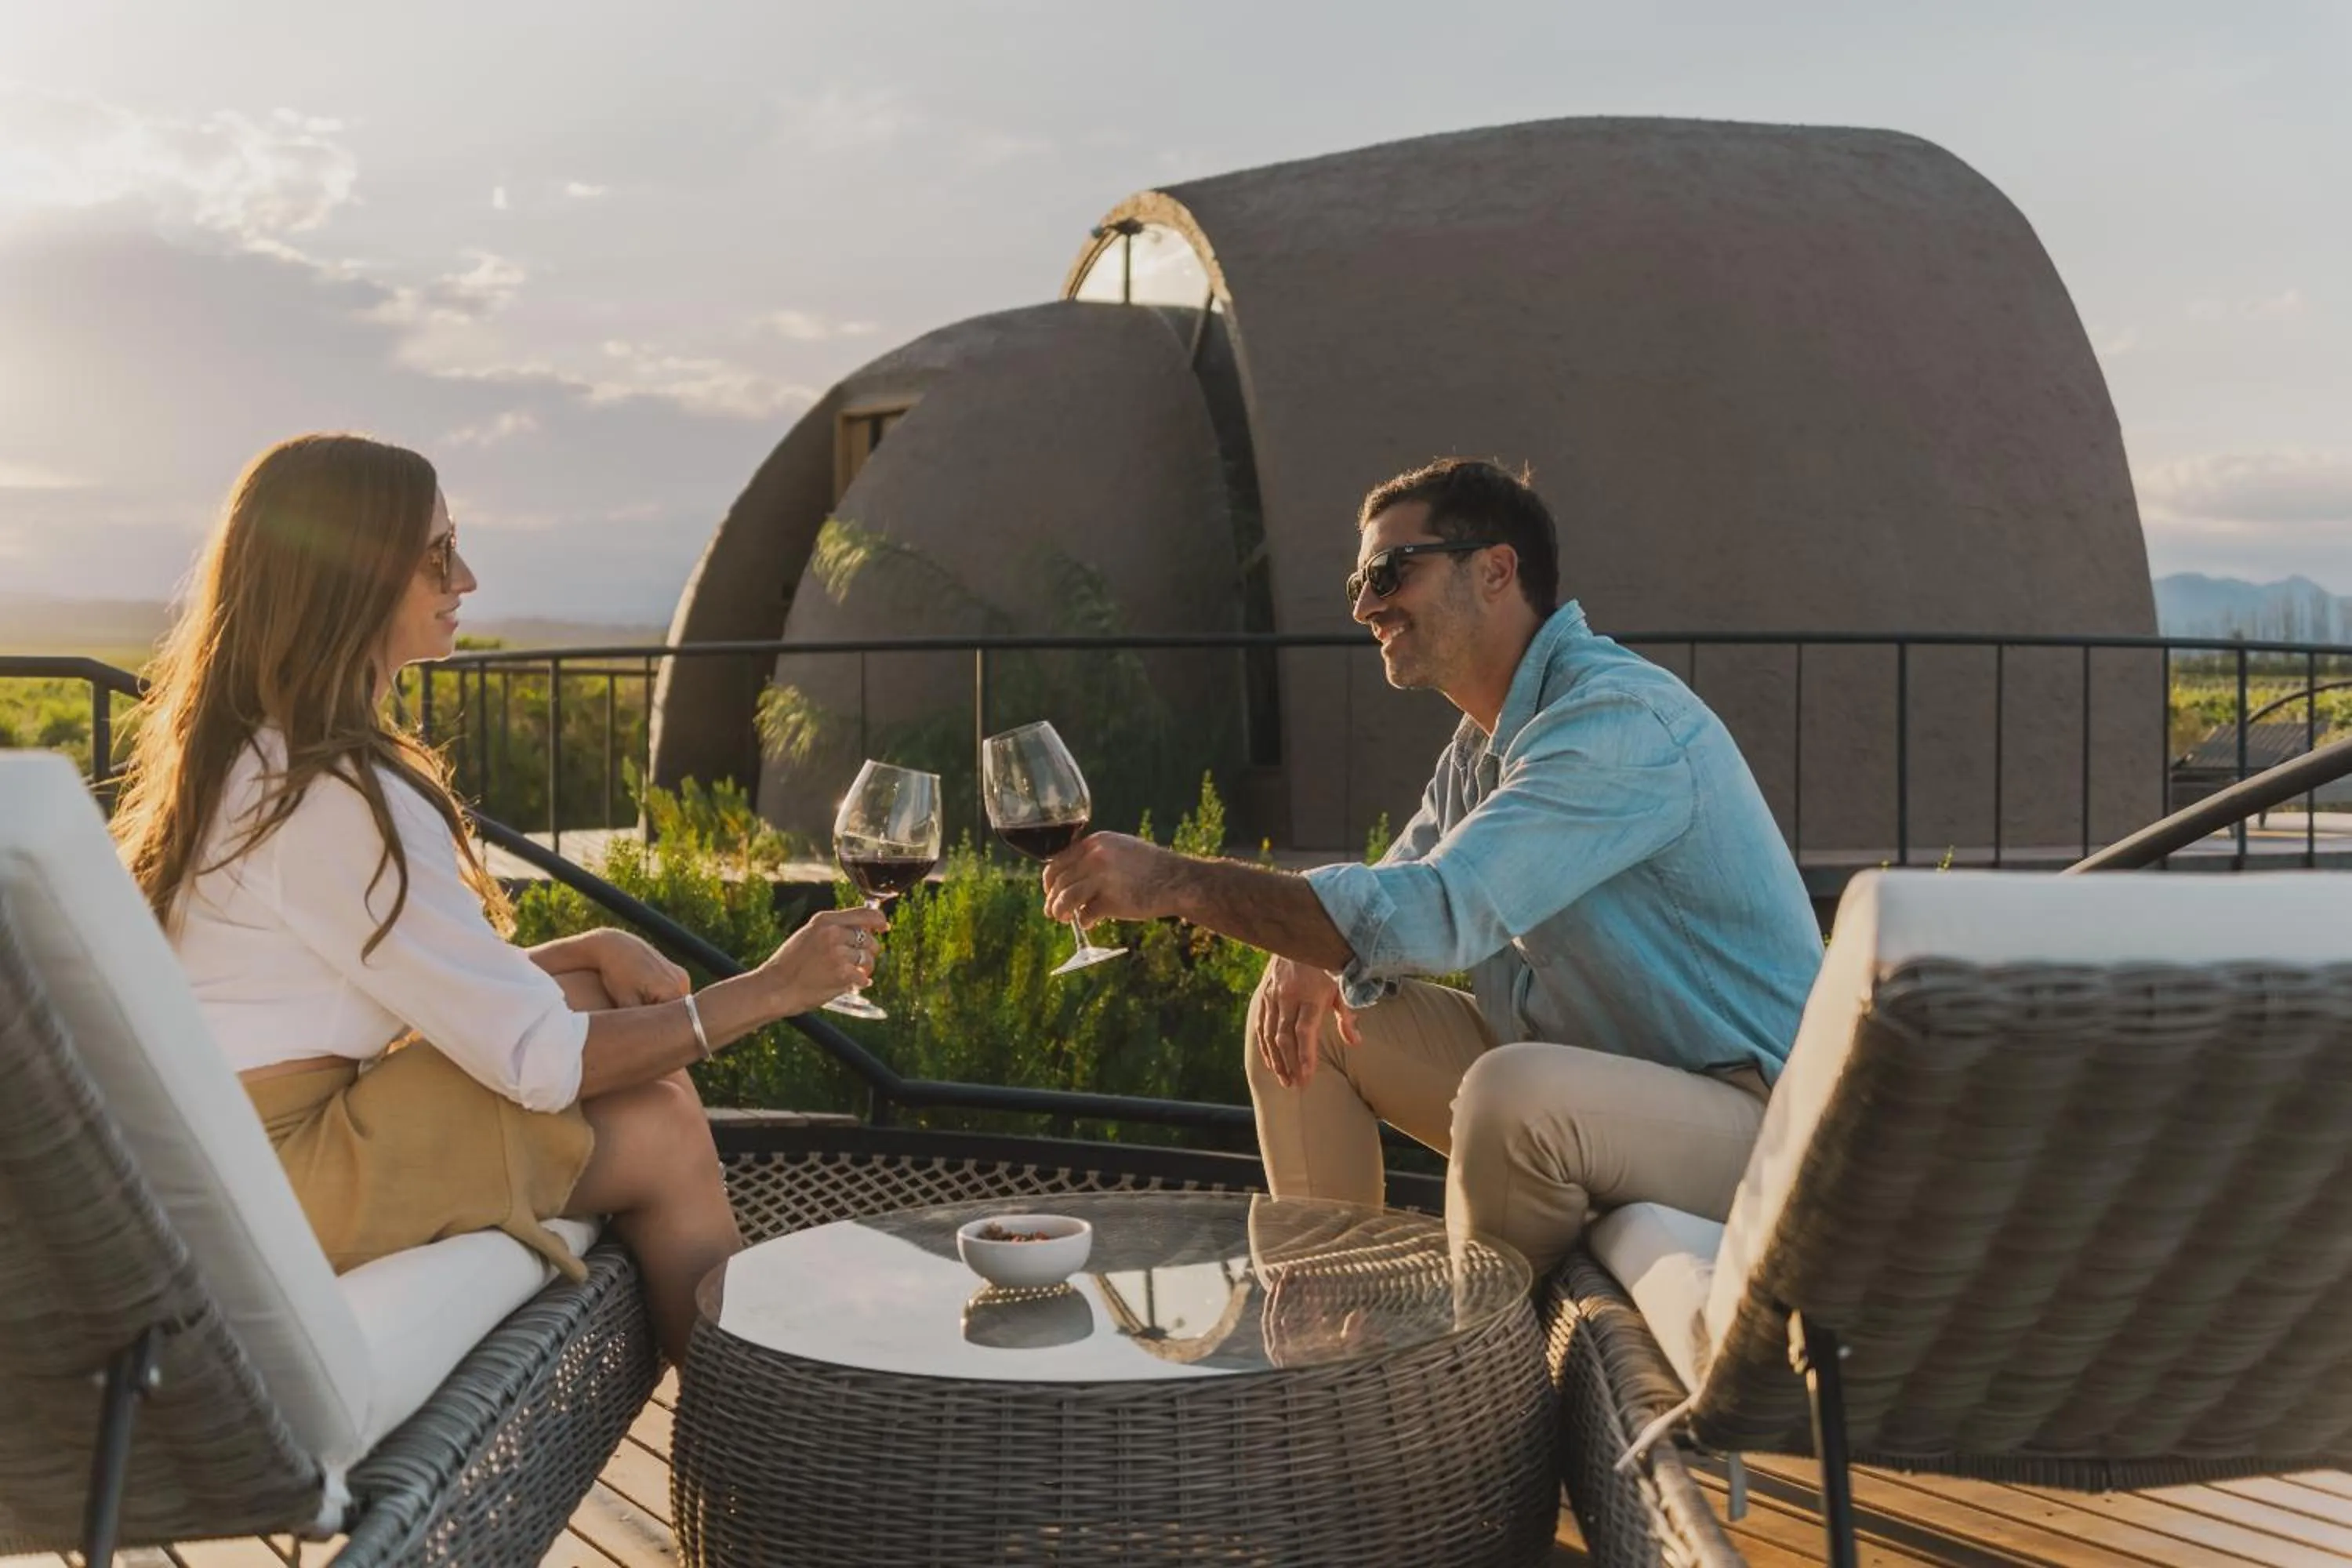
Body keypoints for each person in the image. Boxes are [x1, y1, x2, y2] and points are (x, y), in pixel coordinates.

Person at [111, 432, 886, 1363]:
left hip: (229, 1152)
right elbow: (536, 1059)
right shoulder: (333, 796)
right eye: (436, 554)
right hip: (279, 1180)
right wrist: (771, 989)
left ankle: (738, 1406)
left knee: (593, 1005)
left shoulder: (263, 757)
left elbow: (388, 986)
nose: (466, 578)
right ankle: (753, 1420)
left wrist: (580, 950)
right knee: (663, 1126)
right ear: (349, 576)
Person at [1040, 458, 1823, 1276]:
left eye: (1389, 571)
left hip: (1756, 1120)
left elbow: (1439, 912)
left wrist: (1173, 882)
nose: (1364, 606)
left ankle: (1473, 1345)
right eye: (1358, 583)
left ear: (1495, 570)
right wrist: (1308, 953)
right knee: (1306, 1015)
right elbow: (1389, 892)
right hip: (1601, 1077)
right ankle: (1327, 1319)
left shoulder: (1616, 723)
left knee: (1511, 1093)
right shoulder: (1480, 750)